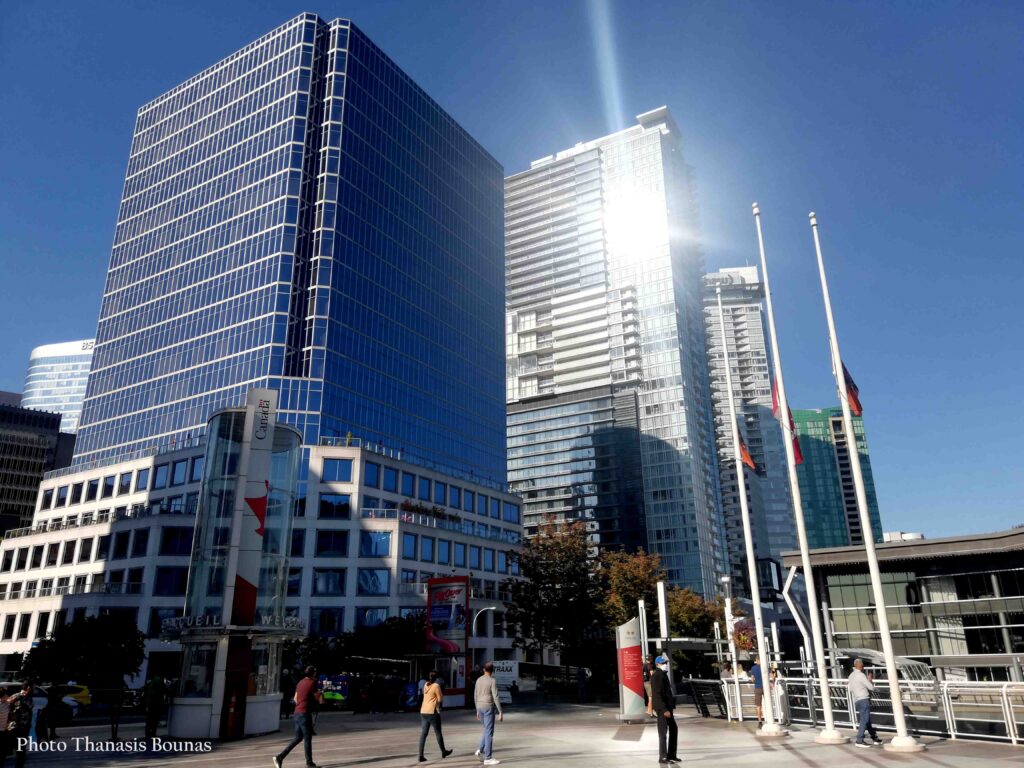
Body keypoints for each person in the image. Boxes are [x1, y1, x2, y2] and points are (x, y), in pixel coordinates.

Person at [273, 666, 323, 768]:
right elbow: (318, 698)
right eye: (315, 672)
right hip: (304, 714)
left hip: (297, 713)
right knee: (307, 739)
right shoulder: (312, 683)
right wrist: (321, 694)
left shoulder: (300, 682)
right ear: (312, 673)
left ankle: (280, 757)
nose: (316, 674)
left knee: (298, 737)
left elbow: (296, 698)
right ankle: (309, 764)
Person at [418, 671, 452, 762]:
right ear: (436, 679)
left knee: (423, 734)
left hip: (423, 711)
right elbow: (440, 699)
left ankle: (420, 755)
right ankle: (443, 751)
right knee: (438, 733)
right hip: (432, 712)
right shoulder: (436, 686)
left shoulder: (426, 685)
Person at [473, 661, 504, 766]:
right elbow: (495, 696)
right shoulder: (492, 681)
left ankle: (480, 750)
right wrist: (500, 711)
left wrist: (477, 710)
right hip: (488, 707)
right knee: (489, 733)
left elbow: (475, 695)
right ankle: (488, 758)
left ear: (483, 670)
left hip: (480, 707)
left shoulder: (478, 680)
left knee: (487, 730)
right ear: (492, 671)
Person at [650, 655, 678, 765]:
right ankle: (662, 756)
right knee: (663, 733)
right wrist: (663, 709)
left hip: (667, 708)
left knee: (673, 729)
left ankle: (672, 755)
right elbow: (657, 694)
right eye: (663, 663)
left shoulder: (662, 674)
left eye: (665, 663)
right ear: (657, 664)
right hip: (663, 709)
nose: (665, 665)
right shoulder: (657, 675)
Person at [848, 659, 883, 748]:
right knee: (865, 720)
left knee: (867, 720)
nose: (863, 666)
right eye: (863, 664)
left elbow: (851, 689)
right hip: (864, 699)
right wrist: (870, 679)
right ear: (861, 666)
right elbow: (871, 687)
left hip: (857, 699)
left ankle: (874, 738)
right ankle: (859, 740)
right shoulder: (861, 675)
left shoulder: (851, 675)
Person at [2, 683, 34, 768]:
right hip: (21, 728)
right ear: (28, 688)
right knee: (20, 752)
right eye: (32, 687)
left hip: (12, 727)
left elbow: (7, 707)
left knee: (6, 750)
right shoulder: (27, 698)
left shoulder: (13, 696)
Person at [750, 658, 764, 728]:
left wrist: (753, 681)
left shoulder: (753, 668)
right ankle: (769, 719)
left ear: (756, 660)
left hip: (758, 687)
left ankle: (760, 722)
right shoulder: (766, 666)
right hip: (765, 687)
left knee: (758, 706)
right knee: (768, 704)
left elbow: (752, 679)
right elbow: (772, 676)